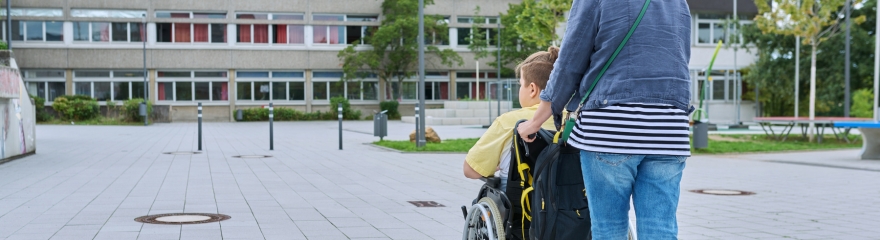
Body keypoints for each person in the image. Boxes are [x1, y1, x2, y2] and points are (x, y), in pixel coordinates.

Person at [517, 0, 693, 239]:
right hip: (668, 130)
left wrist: (535, 122)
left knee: (609, 229)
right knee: (661, 229)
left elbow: (570, 61)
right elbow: (680, 57)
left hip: (611, 128)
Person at [463, 47, 559, 190]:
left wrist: (494, 166)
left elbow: (470, 171)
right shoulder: (572, 120)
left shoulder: (509, 121)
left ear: (532, 89)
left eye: (521, 85)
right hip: (566, 204)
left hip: (519, 203)